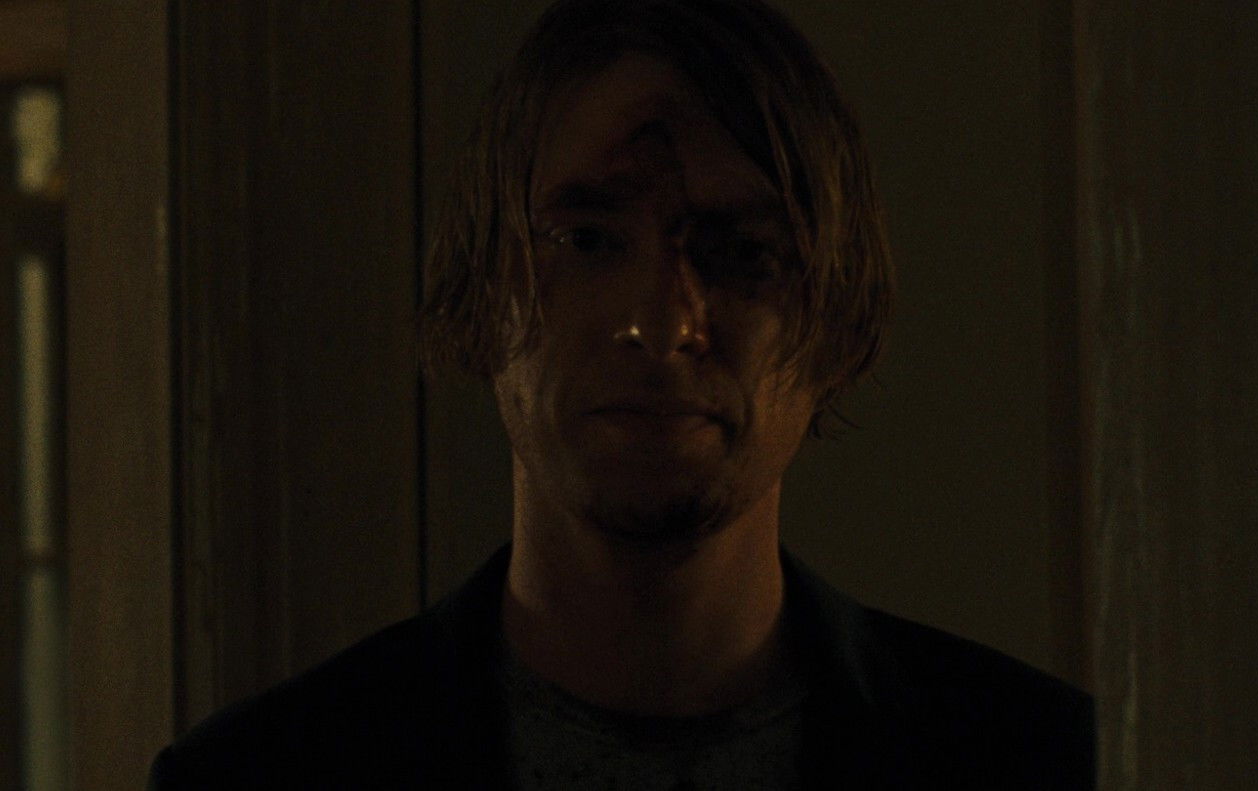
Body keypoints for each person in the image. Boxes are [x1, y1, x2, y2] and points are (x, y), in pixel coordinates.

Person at [148, 0, 1094, 787]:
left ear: (837, 317)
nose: (660, 322)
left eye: (741, 252)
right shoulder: (264, 774)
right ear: (485, 285)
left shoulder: (1039, 762)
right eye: (589, 241)